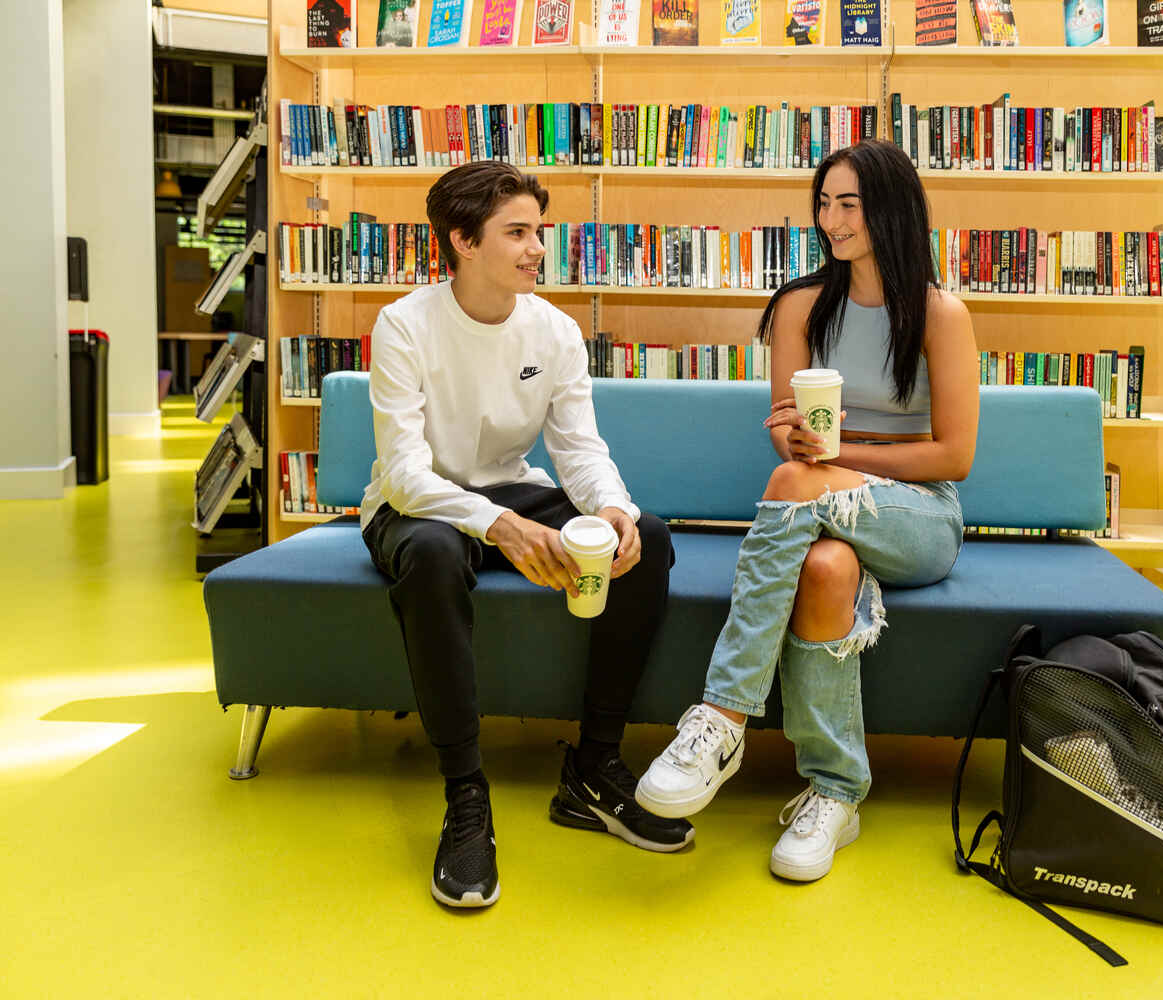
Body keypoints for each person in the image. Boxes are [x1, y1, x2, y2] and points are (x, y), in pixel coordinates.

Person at [634, 139, 979, 881]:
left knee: (795, 484)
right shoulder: (797, 306)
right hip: (827, 513)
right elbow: (793, 439)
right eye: (824, 202)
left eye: (847, 203)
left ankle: (722, 717)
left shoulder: (940, 313)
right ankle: (835, 793)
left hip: (920, 518)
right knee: (824, 569)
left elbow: (954, 457)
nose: (830, 218)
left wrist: (839, 462)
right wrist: (799, 441)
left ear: (890, 208)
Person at [361, 161, 692, 909]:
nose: (537, 248)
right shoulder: (404, 324)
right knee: (441, 553)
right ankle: (465, 797)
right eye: (517, 232)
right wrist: (499, 526)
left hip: (512, 490)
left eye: (538, 231)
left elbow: (577, 449)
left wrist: (614, 509)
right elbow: (407, 474)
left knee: (652, 540)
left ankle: (594, 769)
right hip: (413, 508)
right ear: (463, 241)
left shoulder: (556, 329)